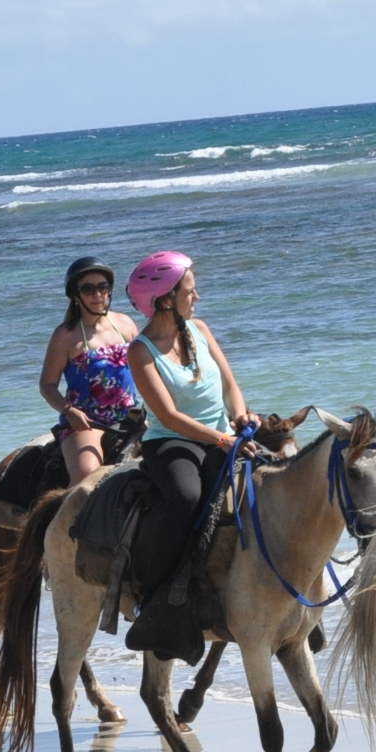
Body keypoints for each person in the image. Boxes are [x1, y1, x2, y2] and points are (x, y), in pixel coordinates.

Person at [122, 252, 253, 656]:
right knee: (186, 497)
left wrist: (241, 415)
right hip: (172, 441)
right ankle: (155, 592)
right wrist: (222, 440)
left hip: (222, 434)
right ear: (165, 300)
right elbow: (169, 416)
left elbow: (230, 385)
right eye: (190, 292)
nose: (197, 297)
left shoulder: (200, 329)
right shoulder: (141, 351)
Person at [37, 256, 141, 484]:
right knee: (87, 474)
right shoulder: (65, 335)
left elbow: (146, 369)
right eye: (88, 289)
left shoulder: (125, 324)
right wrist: (69, 411)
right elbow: (47, 385)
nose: (97, 295)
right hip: (87, 421)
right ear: (76, 295)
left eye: (103, 287)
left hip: (130, 415)